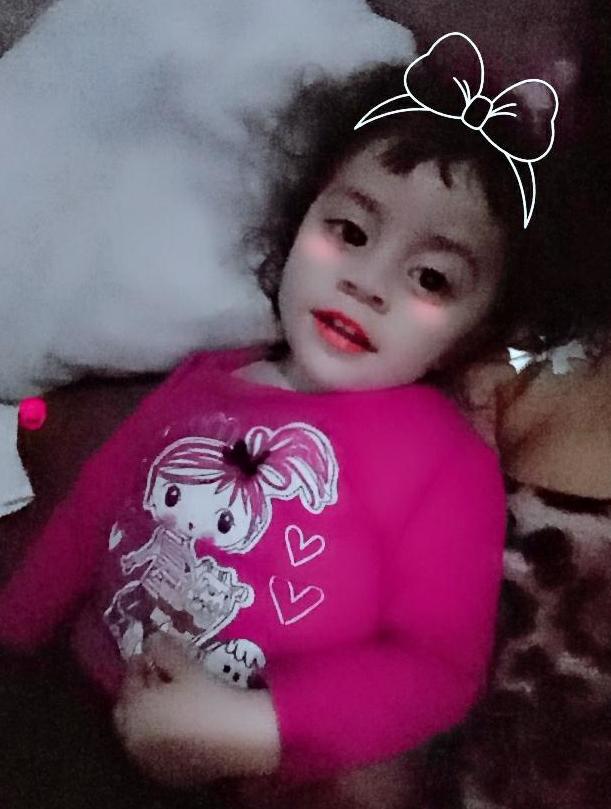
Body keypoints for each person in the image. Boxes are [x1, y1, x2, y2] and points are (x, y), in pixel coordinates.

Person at [0, 34, 560, 808]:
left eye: (430, 277)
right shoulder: (207, 376)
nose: (366, 283)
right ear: (297, 227)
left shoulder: (447, 460)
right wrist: (14, 631)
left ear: (475, 330)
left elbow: (435, 667)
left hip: (242, 778)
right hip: (68, 698)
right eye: (350, 232)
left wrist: (253, 726)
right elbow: (93, 506)